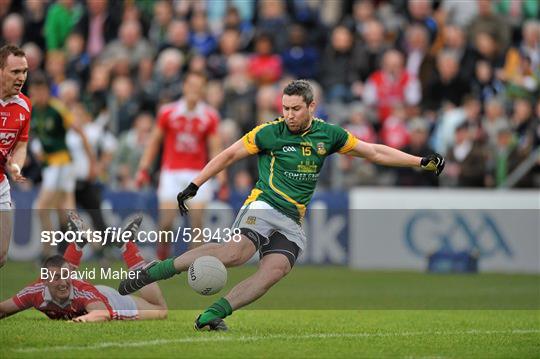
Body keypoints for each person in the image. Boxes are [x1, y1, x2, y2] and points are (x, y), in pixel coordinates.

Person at [119, 80, 445, 331]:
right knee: (236, 254)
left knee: (274, 271)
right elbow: (230, 154)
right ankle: (152, 272)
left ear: (311, 107)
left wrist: (420, 161)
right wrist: (195, 184)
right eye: (285, 108)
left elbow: (374, 152)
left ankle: (214, 314)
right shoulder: (269, 133)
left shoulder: (329, 135)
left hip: (292, 219)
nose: (288, 115)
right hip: (263, 205)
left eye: (295, 109)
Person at [0, 214, 167, 322]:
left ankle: (127, 245)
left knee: (161, 310)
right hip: (95, 295)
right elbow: (3, 309)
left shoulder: (80, 291)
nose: (65, 282)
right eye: (56, 278)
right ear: (44, 282)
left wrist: (80, 321)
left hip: (111, 301)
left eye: (67, 276)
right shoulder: (35, 292)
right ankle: (79, 242)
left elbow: (103, 314)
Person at [136, 71, 224, 259]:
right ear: (184, 87)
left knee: (197, 221)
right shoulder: (168, 112)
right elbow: (154, 141)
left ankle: (194, 266)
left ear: (203, 90)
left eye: (199, 87)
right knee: (166, 222)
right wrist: (143, 169)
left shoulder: (210, 115)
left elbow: (216, 148)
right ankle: (163, 253)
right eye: (191, 85)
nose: (194, 90)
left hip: (198, 173)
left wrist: (222, 177)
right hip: (172, 172)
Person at [29, 73, 94, 258]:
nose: (37, 95)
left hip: (62, 164)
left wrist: (91, 162)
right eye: (34, 92)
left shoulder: (57, 109)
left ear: (47, 92)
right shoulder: (34, 109)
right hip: (52, 165)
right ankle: (95, 242)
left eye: (41, 91)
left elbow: (79, 130)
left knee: (41, 208)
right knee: (67, 212)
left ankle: (47, 252)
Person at [0, 44, 31, 268]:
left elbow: (21, 145)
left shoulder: (25, 105)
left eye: (25, 71)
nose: (21, 77)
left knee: (1, 256)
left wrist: (17, 167)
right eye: (15, 72)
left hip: (1, 182)